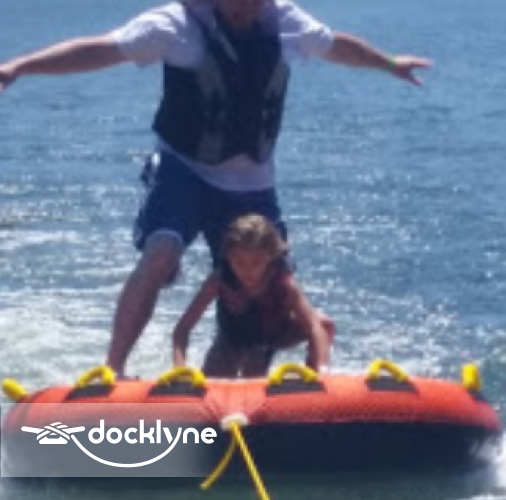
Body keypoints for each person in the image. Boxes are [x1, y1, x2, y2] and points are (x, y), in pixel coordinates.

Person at [0, 0, 431, 376]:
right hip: (185, 170)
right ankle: (112, 370)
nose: (244, 8)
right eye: (234, 0)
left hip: (252, 183)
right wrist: (20, 67)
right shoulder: (174, 25)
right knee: (161, 255)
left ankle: (293, 383)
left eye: (253, 0)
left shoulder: (285, 20)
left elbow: (336, 46)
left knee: (270, 287)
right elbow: (100, 50)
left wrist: (390, 64)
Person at [172, 213, 333, 376]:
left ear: (270, 256)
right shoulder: (219, 281)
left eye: (256, 262)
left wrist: (323, 368)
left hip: (272, 334)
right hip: (232, 338)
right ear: (228, 257)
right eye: (239, 262)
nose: (247, 271)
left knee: (324, 324)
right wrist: (180, 369)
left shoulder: (284, 282)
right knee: (219, 377)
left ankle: (314, 378)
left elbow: (314, 327)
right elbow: (182, 329)